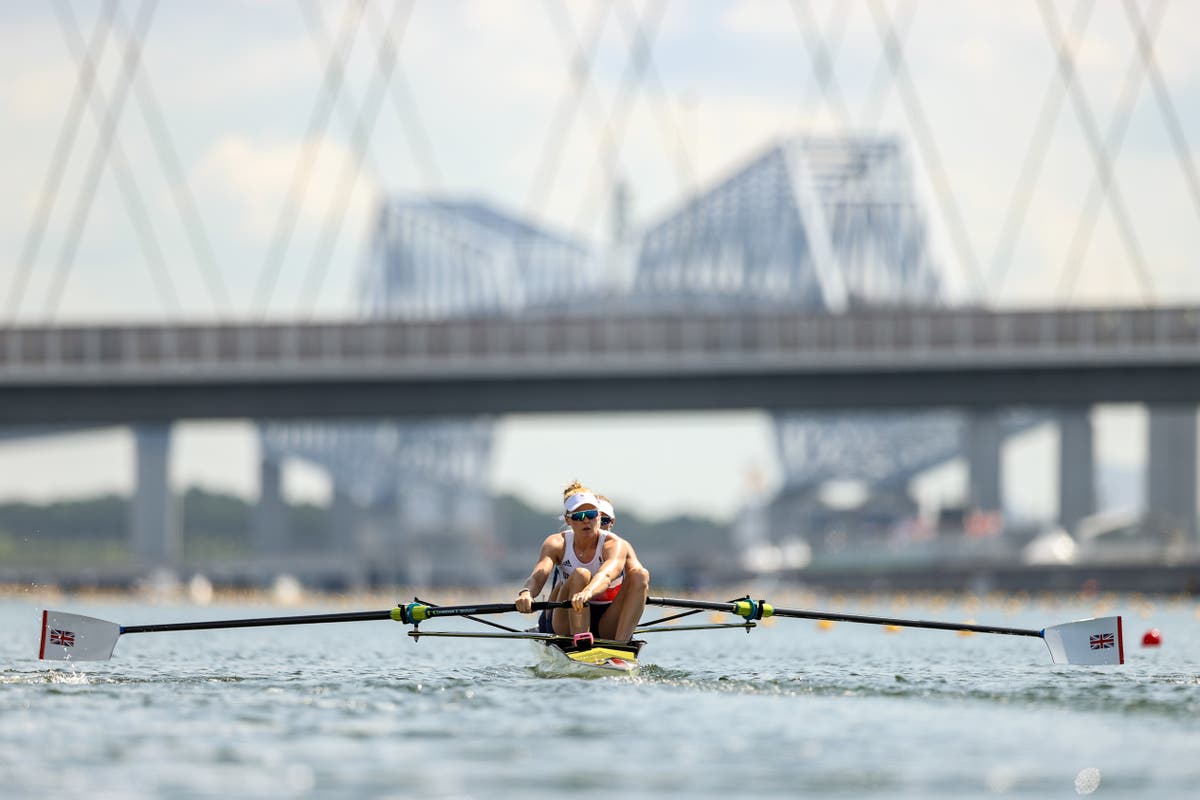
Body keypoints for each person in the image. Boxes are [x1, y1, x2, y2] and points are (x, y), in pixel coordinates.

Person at [514, 481, 649, 643]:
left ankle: (621, 645)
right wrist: (526, 593)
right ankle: (581, 643)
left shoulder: (615, 544)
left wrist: (588, 592)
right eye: (579, 516)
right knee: (580, 574)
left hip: (607, 619)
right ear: (568, 520)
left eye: (591, 515)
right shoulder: (556, 543)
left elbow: (606, 576)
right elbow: (538, 575)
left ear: (598, 516)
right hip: (566, 619)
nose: (586, 521)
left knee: (641, 575)